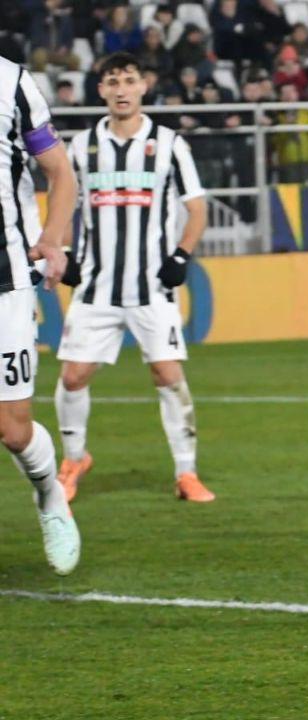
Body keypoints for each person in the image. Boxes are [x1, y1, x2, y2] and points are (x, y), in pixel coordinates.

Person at [56, 52, 214, 504]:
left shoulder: (169, 144)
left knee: (168, 375)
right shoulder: (81, 146)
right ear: (100, 90)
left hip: (151, 288)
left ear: (144, 86)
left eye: (129, 80)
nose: (121, 89)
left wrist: (182, 255)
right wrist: (65, 254)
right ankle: (74, 459)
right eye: (112, 82)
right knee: (72, 377)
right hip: (96, 285)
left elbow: (197, 207)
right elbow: (63, 201)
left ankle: (187, 474)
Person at [0, 55, 78, 574]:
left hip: (4, 275)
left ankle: (51, 494)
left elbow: (59, 172)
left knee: (12, 427)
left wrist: (51, 237)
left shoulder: (12, 81)